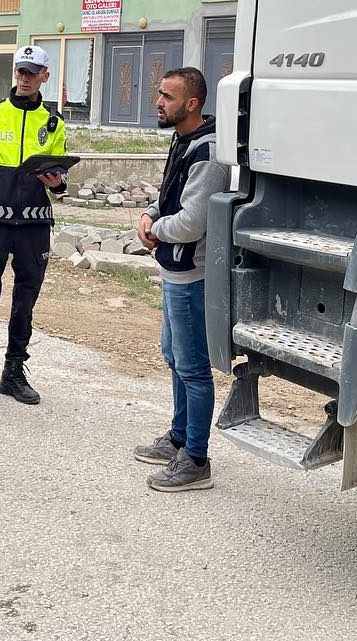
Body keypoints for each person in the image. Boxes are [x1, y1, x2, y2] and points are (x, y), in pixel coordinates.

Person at [132, 68, 229, 493]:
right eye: (159, 93)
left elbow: (193, 222)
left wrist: (157, 230)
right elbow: (171, 195)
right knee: (174, 357)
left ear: (192, 104)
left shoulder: (206, 153)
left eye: (167, 96)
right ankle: (178, 438)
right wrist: (150, 213)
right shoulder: (183, 141)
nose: (158, 101)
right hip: (175, 269)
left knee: (192, 368)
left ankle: (196, 459)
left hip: (193, 274)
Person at [0, 44, 67, 409]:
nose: (23, 78)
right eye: (20, 71)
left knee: (25, 303)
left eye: (31, 72)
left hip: (35, 225)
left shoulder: (54, 122)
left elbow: (60, 176)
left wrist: (57, 183)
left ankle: (13, 374)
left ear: (45, 76)